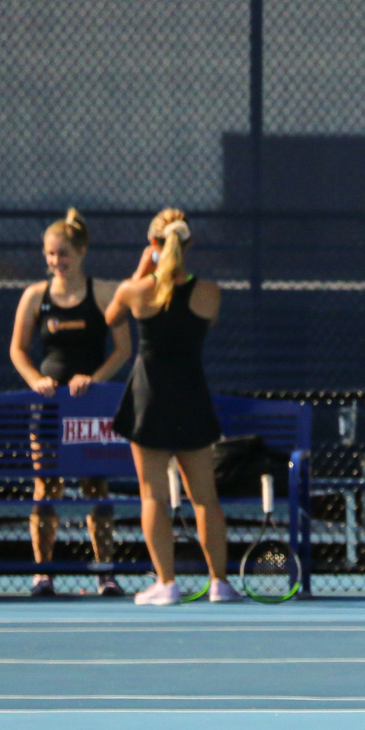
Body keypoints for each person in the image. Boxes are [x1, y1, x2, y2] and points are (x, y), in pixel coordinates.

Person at [105, 209, 236, 606]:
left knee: (153, 497)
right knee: (205, 497)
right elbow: (201, 323)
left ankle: (166, 583)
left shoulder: (135, 291)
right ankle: (219, 583)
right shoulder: (210, 293)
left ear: (154, 244)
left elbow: (111, 317)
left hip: (149, 402)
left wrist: (141, 272)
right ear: (189, 243)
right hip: (191, 398)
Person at [8, 209, 133, 597]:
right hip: (48, 407)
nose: (55, 261)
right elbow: (17, 350)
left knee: (96, 487)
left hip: (90, 407)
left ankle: (105, 572)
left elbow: (123, 349)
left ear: (81, 252)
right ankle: (43, 573)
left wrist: (93, 380)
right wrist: (36, 380)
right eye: (50, 254)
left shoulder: (105, 293)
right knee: (47, 488)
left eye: (62, 253)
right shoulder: (34, 296)